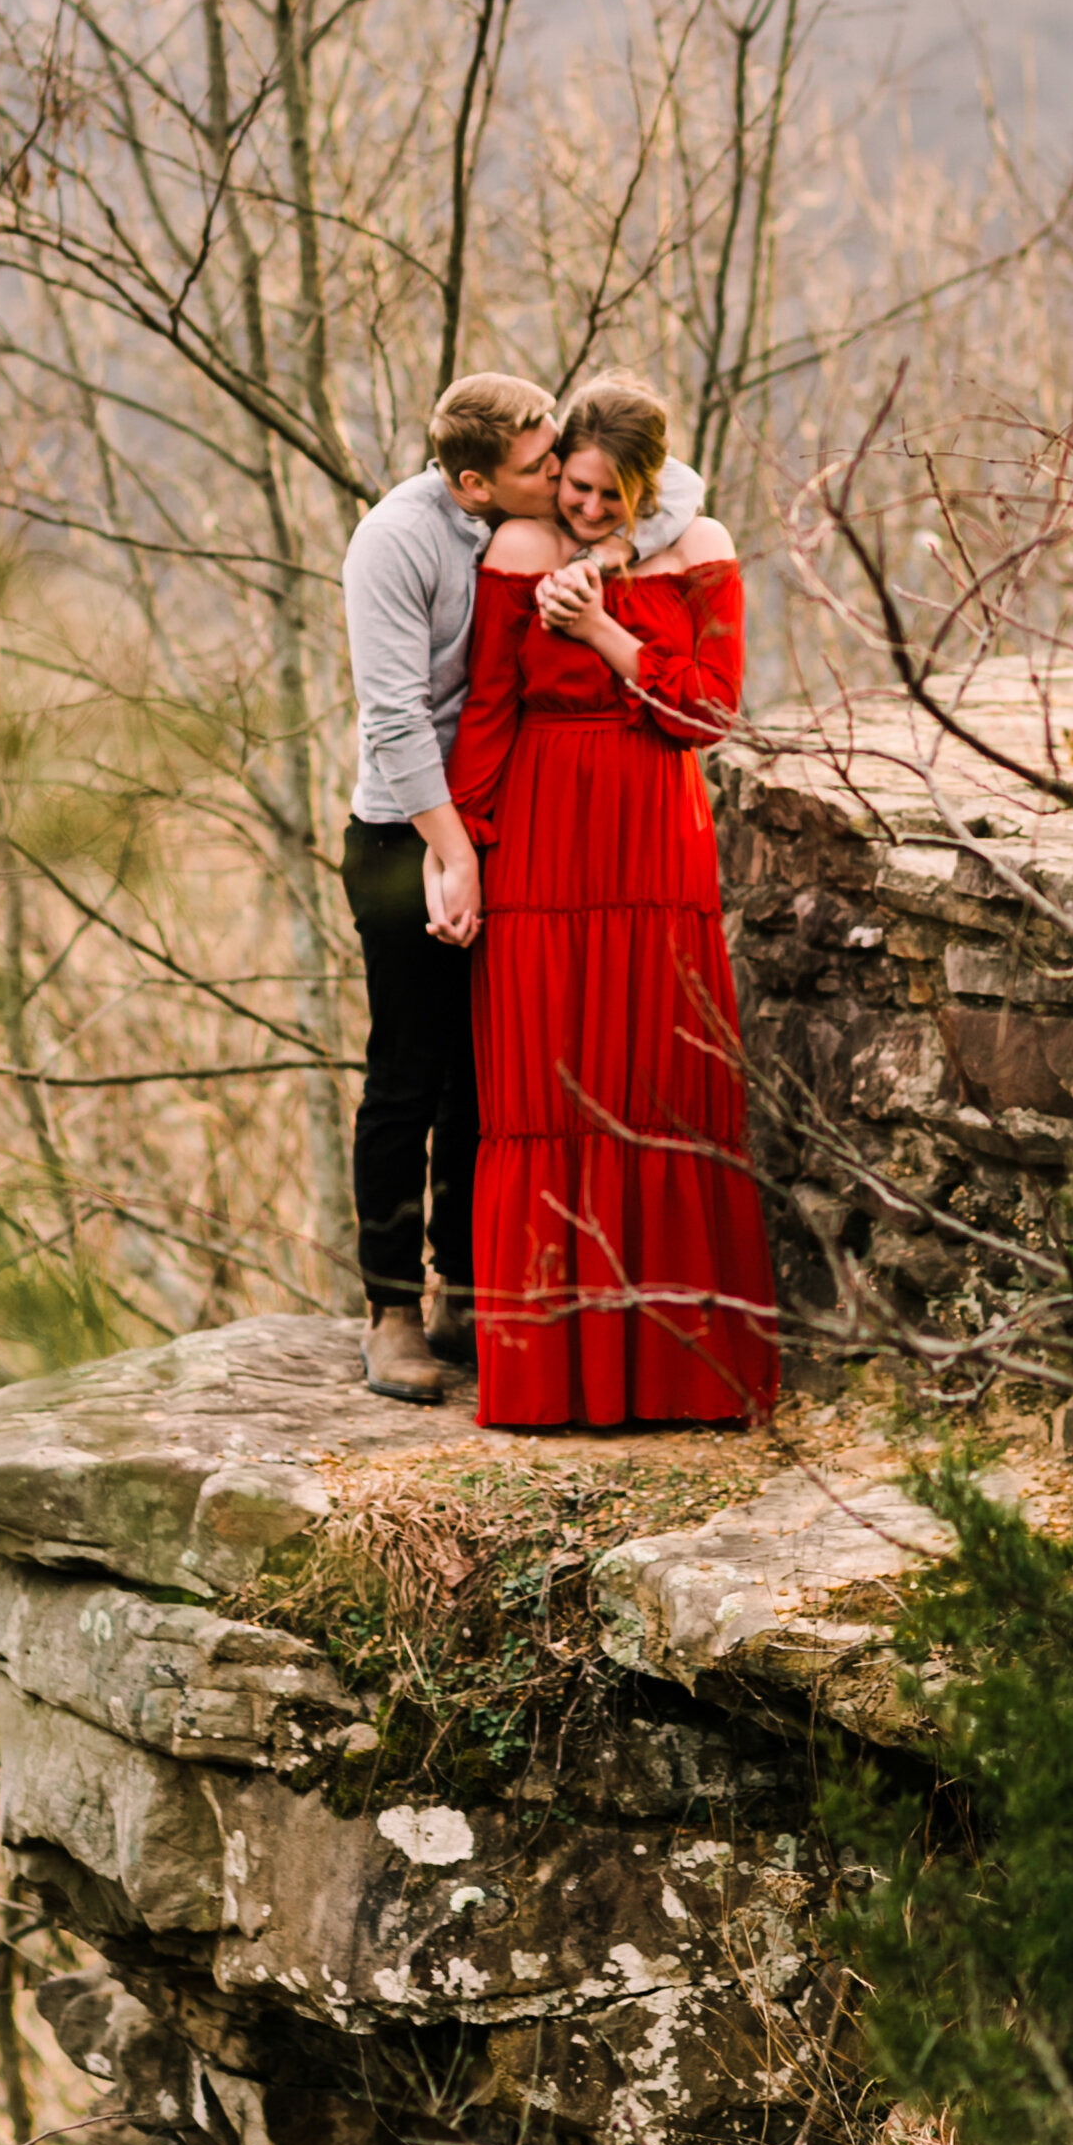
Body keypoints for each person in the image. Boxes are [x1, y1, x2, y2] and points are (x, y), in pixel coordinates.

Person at [340, 371, 709, 1402]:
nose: (560, 479)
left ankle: (467, 1285)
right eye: (541, 468)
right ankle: (389, 1312)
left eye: (559, 456)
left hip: (504, 821)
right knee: (407, 1077)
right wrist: (449, 852)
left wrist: (618, 549)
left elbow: (666, 480)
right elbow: (395, 720)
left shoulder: (548, 509)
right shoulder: (395, 543)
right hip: (403, 832)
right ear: (473, 485)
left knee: (486, 1073)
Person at [447, 374, 780, 1429]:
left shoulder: (700, 551)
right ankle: (551, 1378)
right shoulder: (516, 550)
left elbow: (708, 713)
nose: (583, 509)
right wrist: (460, 850)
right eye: (572, 486)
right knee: (544, 1091)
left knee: (662, 1079)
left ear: (648, 488)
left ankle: (682, 1374)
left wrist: (601, 631)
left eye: (606, 495)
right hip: (544, 843)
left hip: (655, 843)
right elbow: (489, 711)